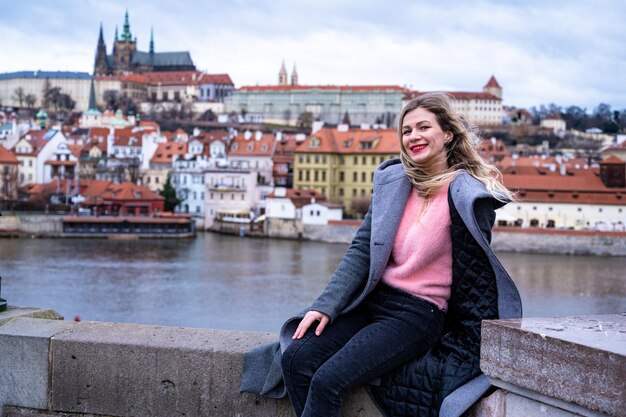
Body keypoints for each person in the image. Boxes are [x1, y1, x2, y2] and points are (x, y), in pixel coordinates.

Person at [240, 93, 522, 417]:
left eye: (423, 127)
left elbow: (475, 279)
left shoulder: (468, 196)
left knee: (328, 381)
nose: (413, 136)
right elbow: (362, 248)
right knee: (297, 358)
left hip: (417, 314)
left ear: (447, 134)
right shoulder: (394, 182)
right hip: (373, 301)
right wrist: (326, 305)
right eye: (406, 131)